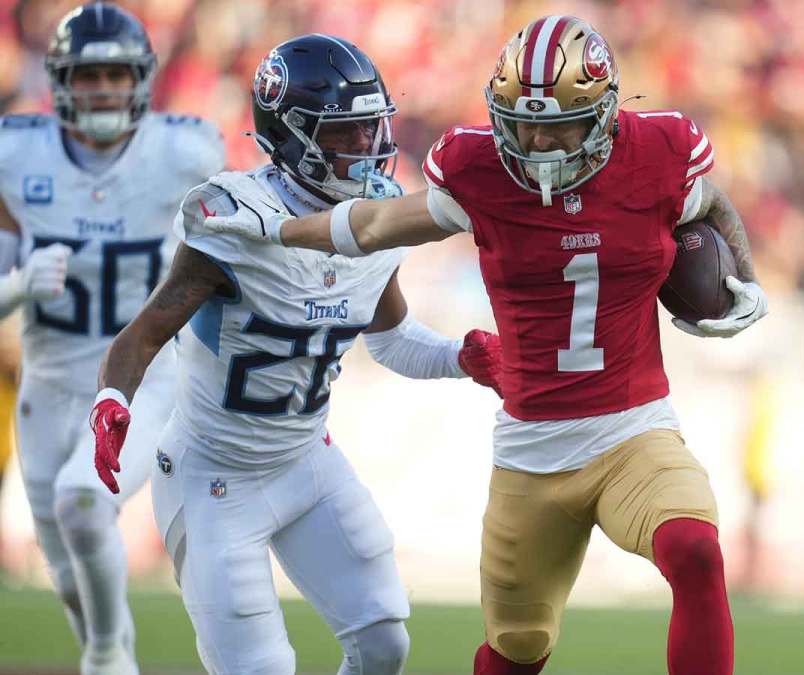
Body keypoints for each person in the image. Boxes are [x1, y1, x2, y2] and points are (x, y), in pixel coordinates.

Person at [198, 15, 766, 675]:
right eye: (521, 123)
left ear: (604, 115)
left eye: (555, 125)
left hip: (634, 430)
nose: (533, 140)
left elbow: (711, 202)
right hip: (532, 450)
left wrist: (745, 283)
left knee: (696, 549)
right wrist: (277, 232)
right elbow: (379, 221)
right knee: (516, 649)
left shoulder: (656, 154)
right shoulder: (483, 173)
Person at [89, 34, 501, 675]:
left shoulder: (378, 219)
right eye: (346, 133)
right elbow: (141, 337)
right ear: (291, 135)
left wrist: (460, 359)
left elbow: (390, 337)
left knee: (384, 643)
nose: (368, 147)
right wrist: (113, 401)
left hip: (306, 462)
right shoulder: (234, 222)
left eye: (372, 128)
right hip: (213, 478)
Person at [0, 4, 224, 673]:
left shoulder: (185, 152)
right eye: (89, 74)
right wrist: (18, 285)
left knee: (82, 500)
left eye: (116, 74)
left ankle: (105, 658)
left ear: (143, 81)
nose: (102, 89)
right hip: (47, 381)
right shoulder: (17, 157)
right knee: (68, 569)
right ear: (62, 80)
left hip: (143, 377)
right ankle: (110, 643)